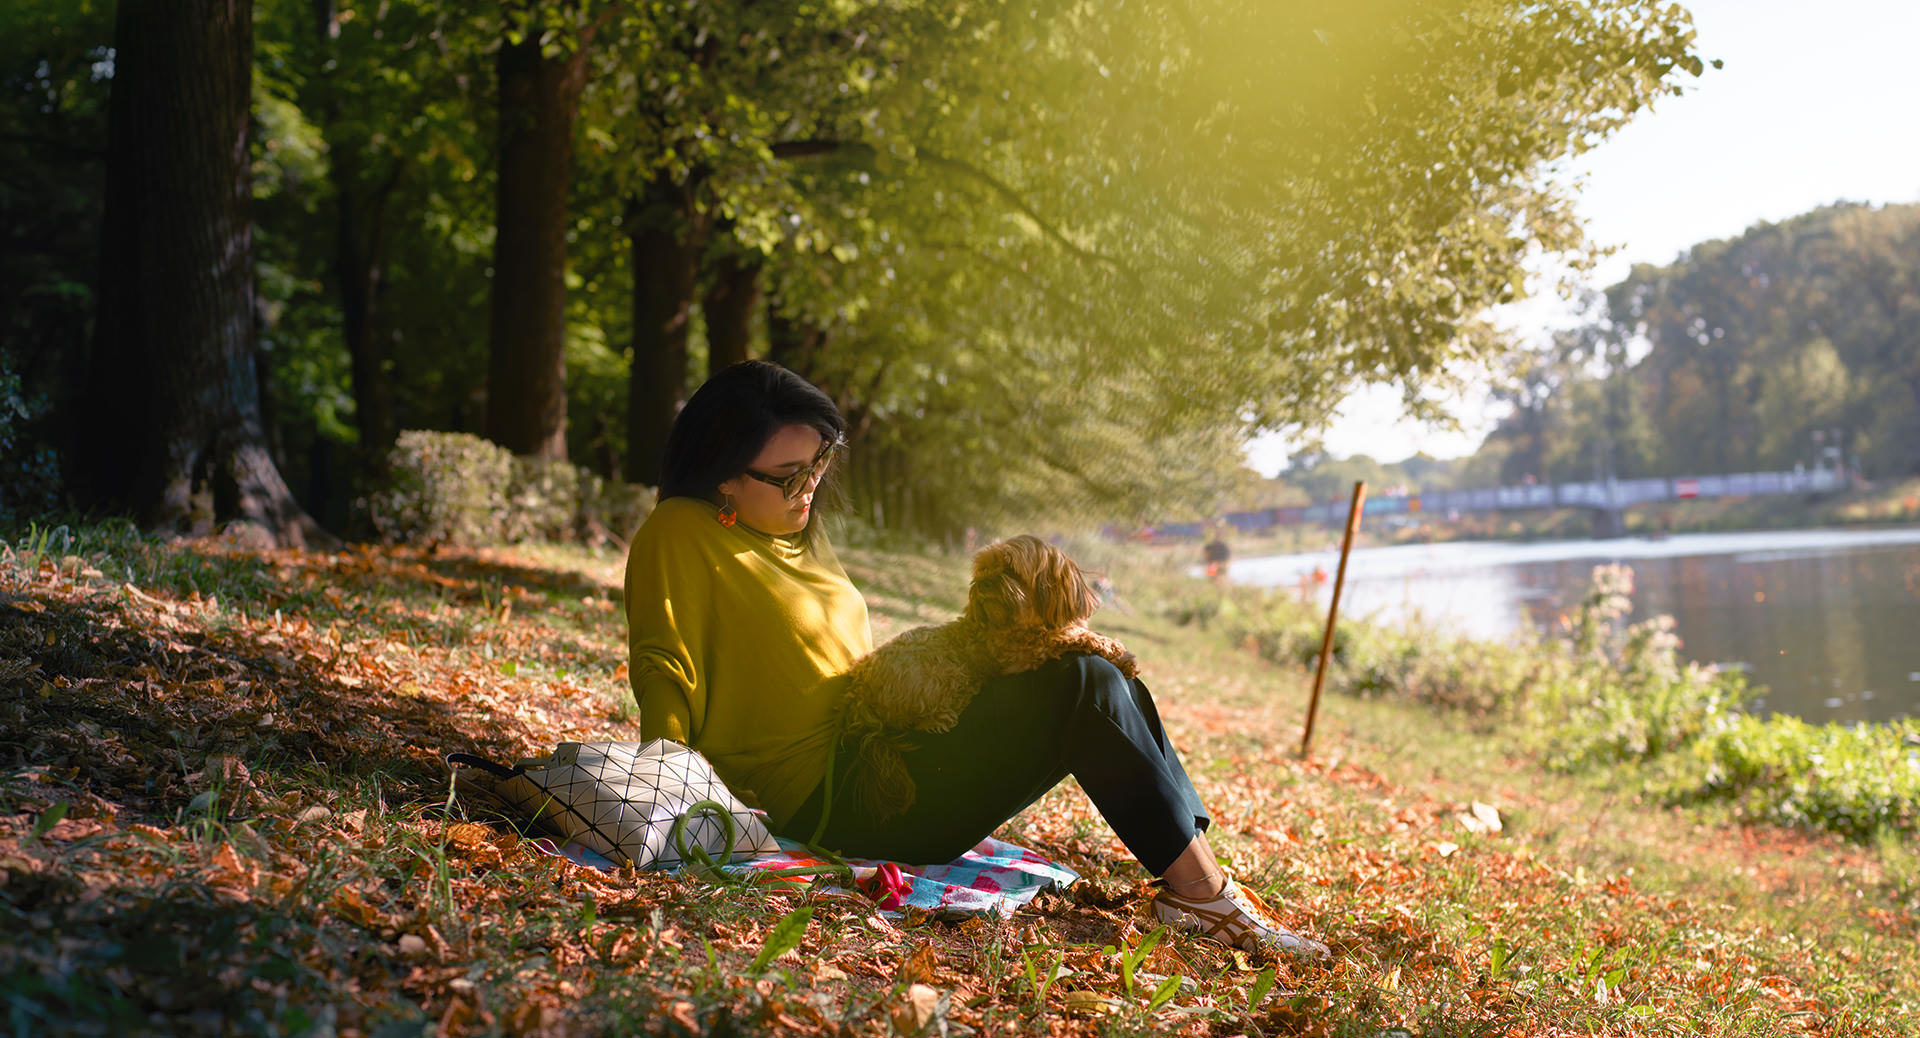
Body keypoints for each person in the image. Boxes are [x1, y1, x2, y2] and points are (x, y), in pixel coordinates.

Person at [623, 361, 1327, 957]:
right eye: (785, 476)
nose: (808, 488)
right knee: (1084, 682)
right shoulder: (681, 533)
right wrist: (672, 801)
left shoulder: (791, 532)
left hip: (886, 751)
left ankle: (1198, 884)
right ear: (722, 476)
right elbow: (665, 663)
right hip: (834, 799)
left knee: (1097, 673)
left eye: (818, 464)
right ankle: (1205, 897)